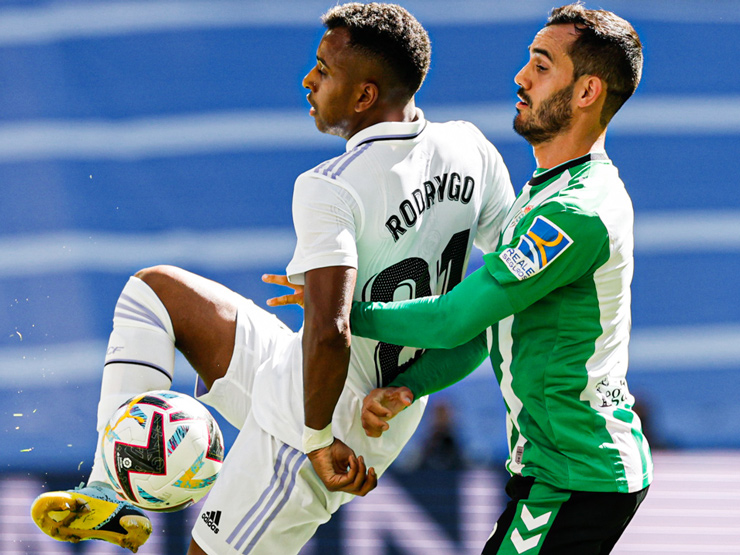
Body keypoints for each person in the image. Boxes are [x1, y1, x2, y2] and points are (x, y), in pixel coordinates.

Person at [30, 3, 515, 554]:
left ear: (364, 96)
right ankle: (111, 493)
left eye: (324, 69)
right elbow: (504, 304)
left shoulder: (331, 185)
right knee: (154, 294)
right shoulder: (472, 148)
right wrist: (409, 388)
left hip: (324, 419)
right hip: (323, 378)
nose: (308, 80)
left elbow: (331, 332)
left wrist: (314, 440)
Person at [349, 4, 653, 553]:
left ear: (586, 93)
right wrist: (410, 387)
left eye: (541, 65)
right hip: (567, 468)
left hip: (574, 476)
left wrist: (342, 311)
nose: (521, 77)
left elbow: (452, 318)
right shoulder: (543, 193)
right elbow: (484, 333)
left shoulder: (574, 211)